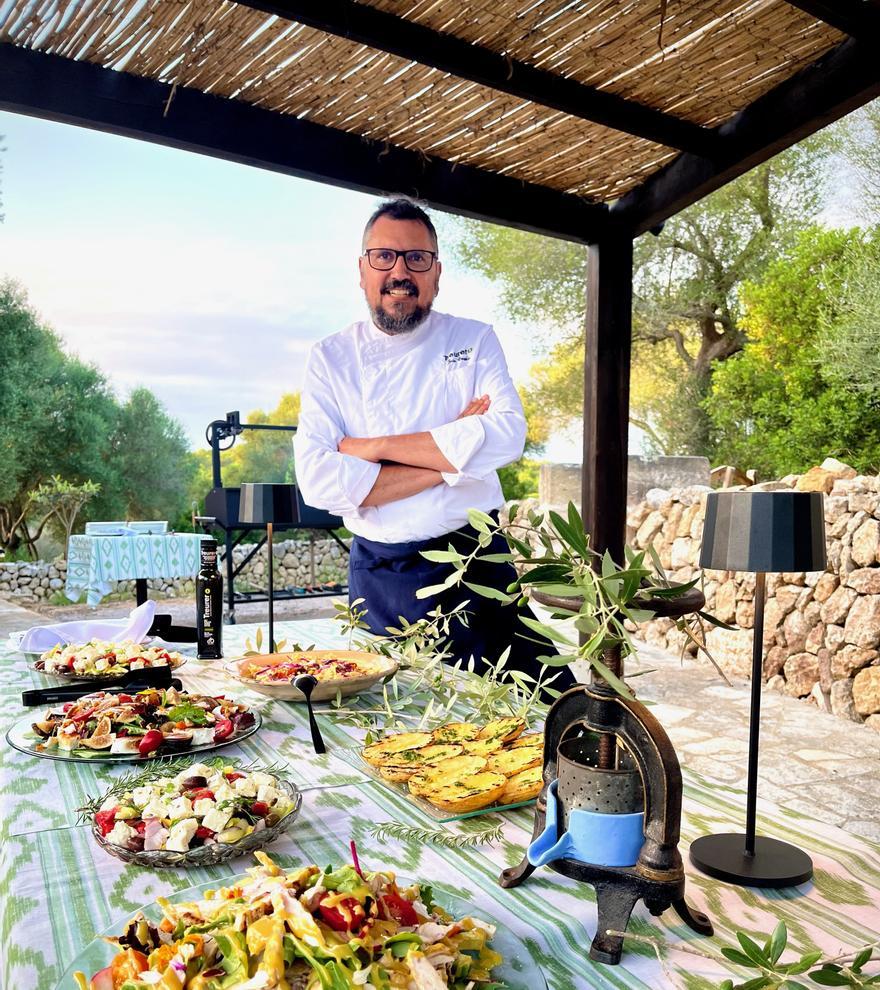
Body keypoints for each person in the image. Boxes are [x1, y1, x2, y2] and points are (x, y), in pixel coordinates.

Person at [293, 198, 574, 691]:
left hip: (474, 570)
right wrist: (451, 460)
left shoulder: (474, 339)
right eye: (384, 256)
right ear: (362, 269)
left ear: (437, 272)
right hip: (378, 579)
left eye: (416, 259)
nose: (400, 271)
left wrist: (371, 446)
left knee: (541, 712)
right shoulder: (330, 358)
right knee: (399, 731)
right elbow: (318, 480)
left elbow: (506, 434)